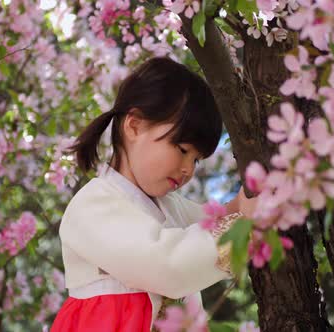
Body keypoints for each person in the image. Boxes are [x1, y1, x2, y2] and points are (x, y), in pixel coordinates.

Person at [51, 57, 257, 331]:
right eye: (183, 150)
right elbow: (167, 266)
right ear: (134, 126)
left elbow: (214, 221)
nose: (187, 170)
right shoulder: (91, 206)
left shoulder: (172, 206)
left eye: (196, 160)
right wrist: (246, 226)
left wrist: (243, 206)